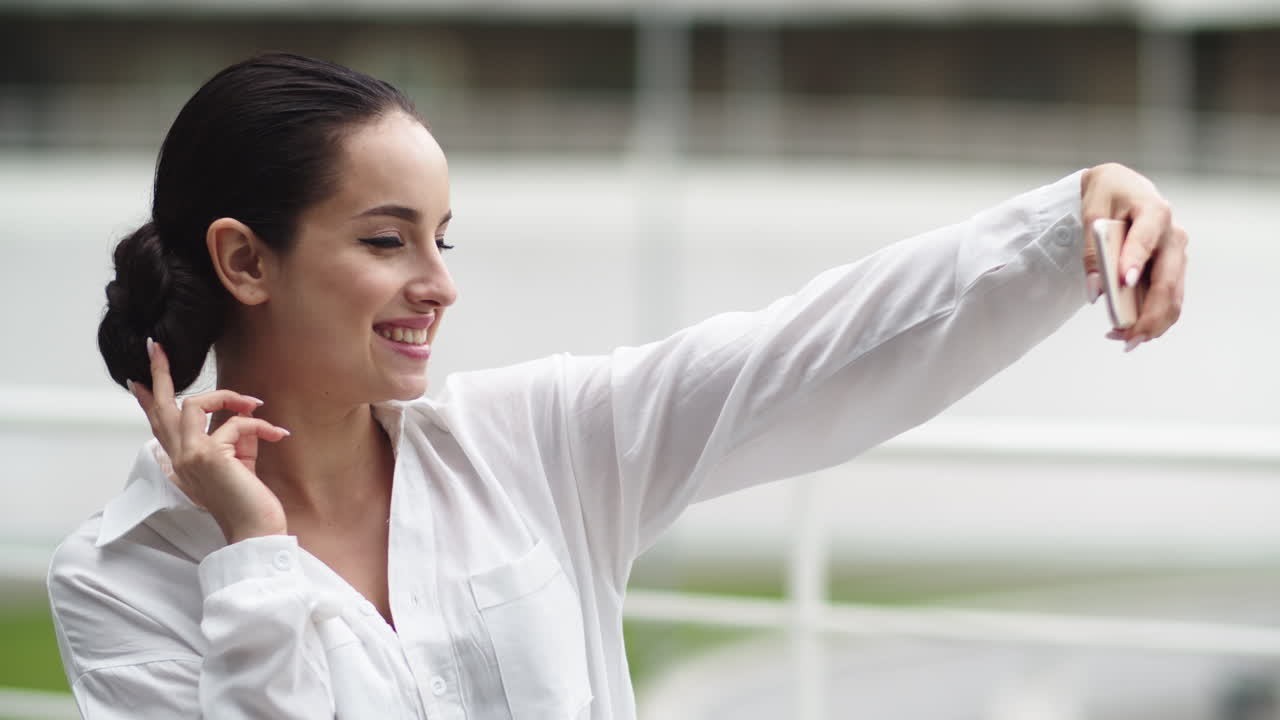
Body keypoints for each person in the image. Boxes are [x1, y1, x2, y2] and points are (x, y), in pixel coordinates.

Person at [46, 51, 1187, 719]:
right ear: (247, 259)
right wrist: (254, 556)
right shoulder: (121, 578)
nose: (438, 286)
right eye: (388, 240)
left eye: (445, 238)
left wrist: (1065, 217)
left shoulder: (532, 439)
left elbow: (800, 352)